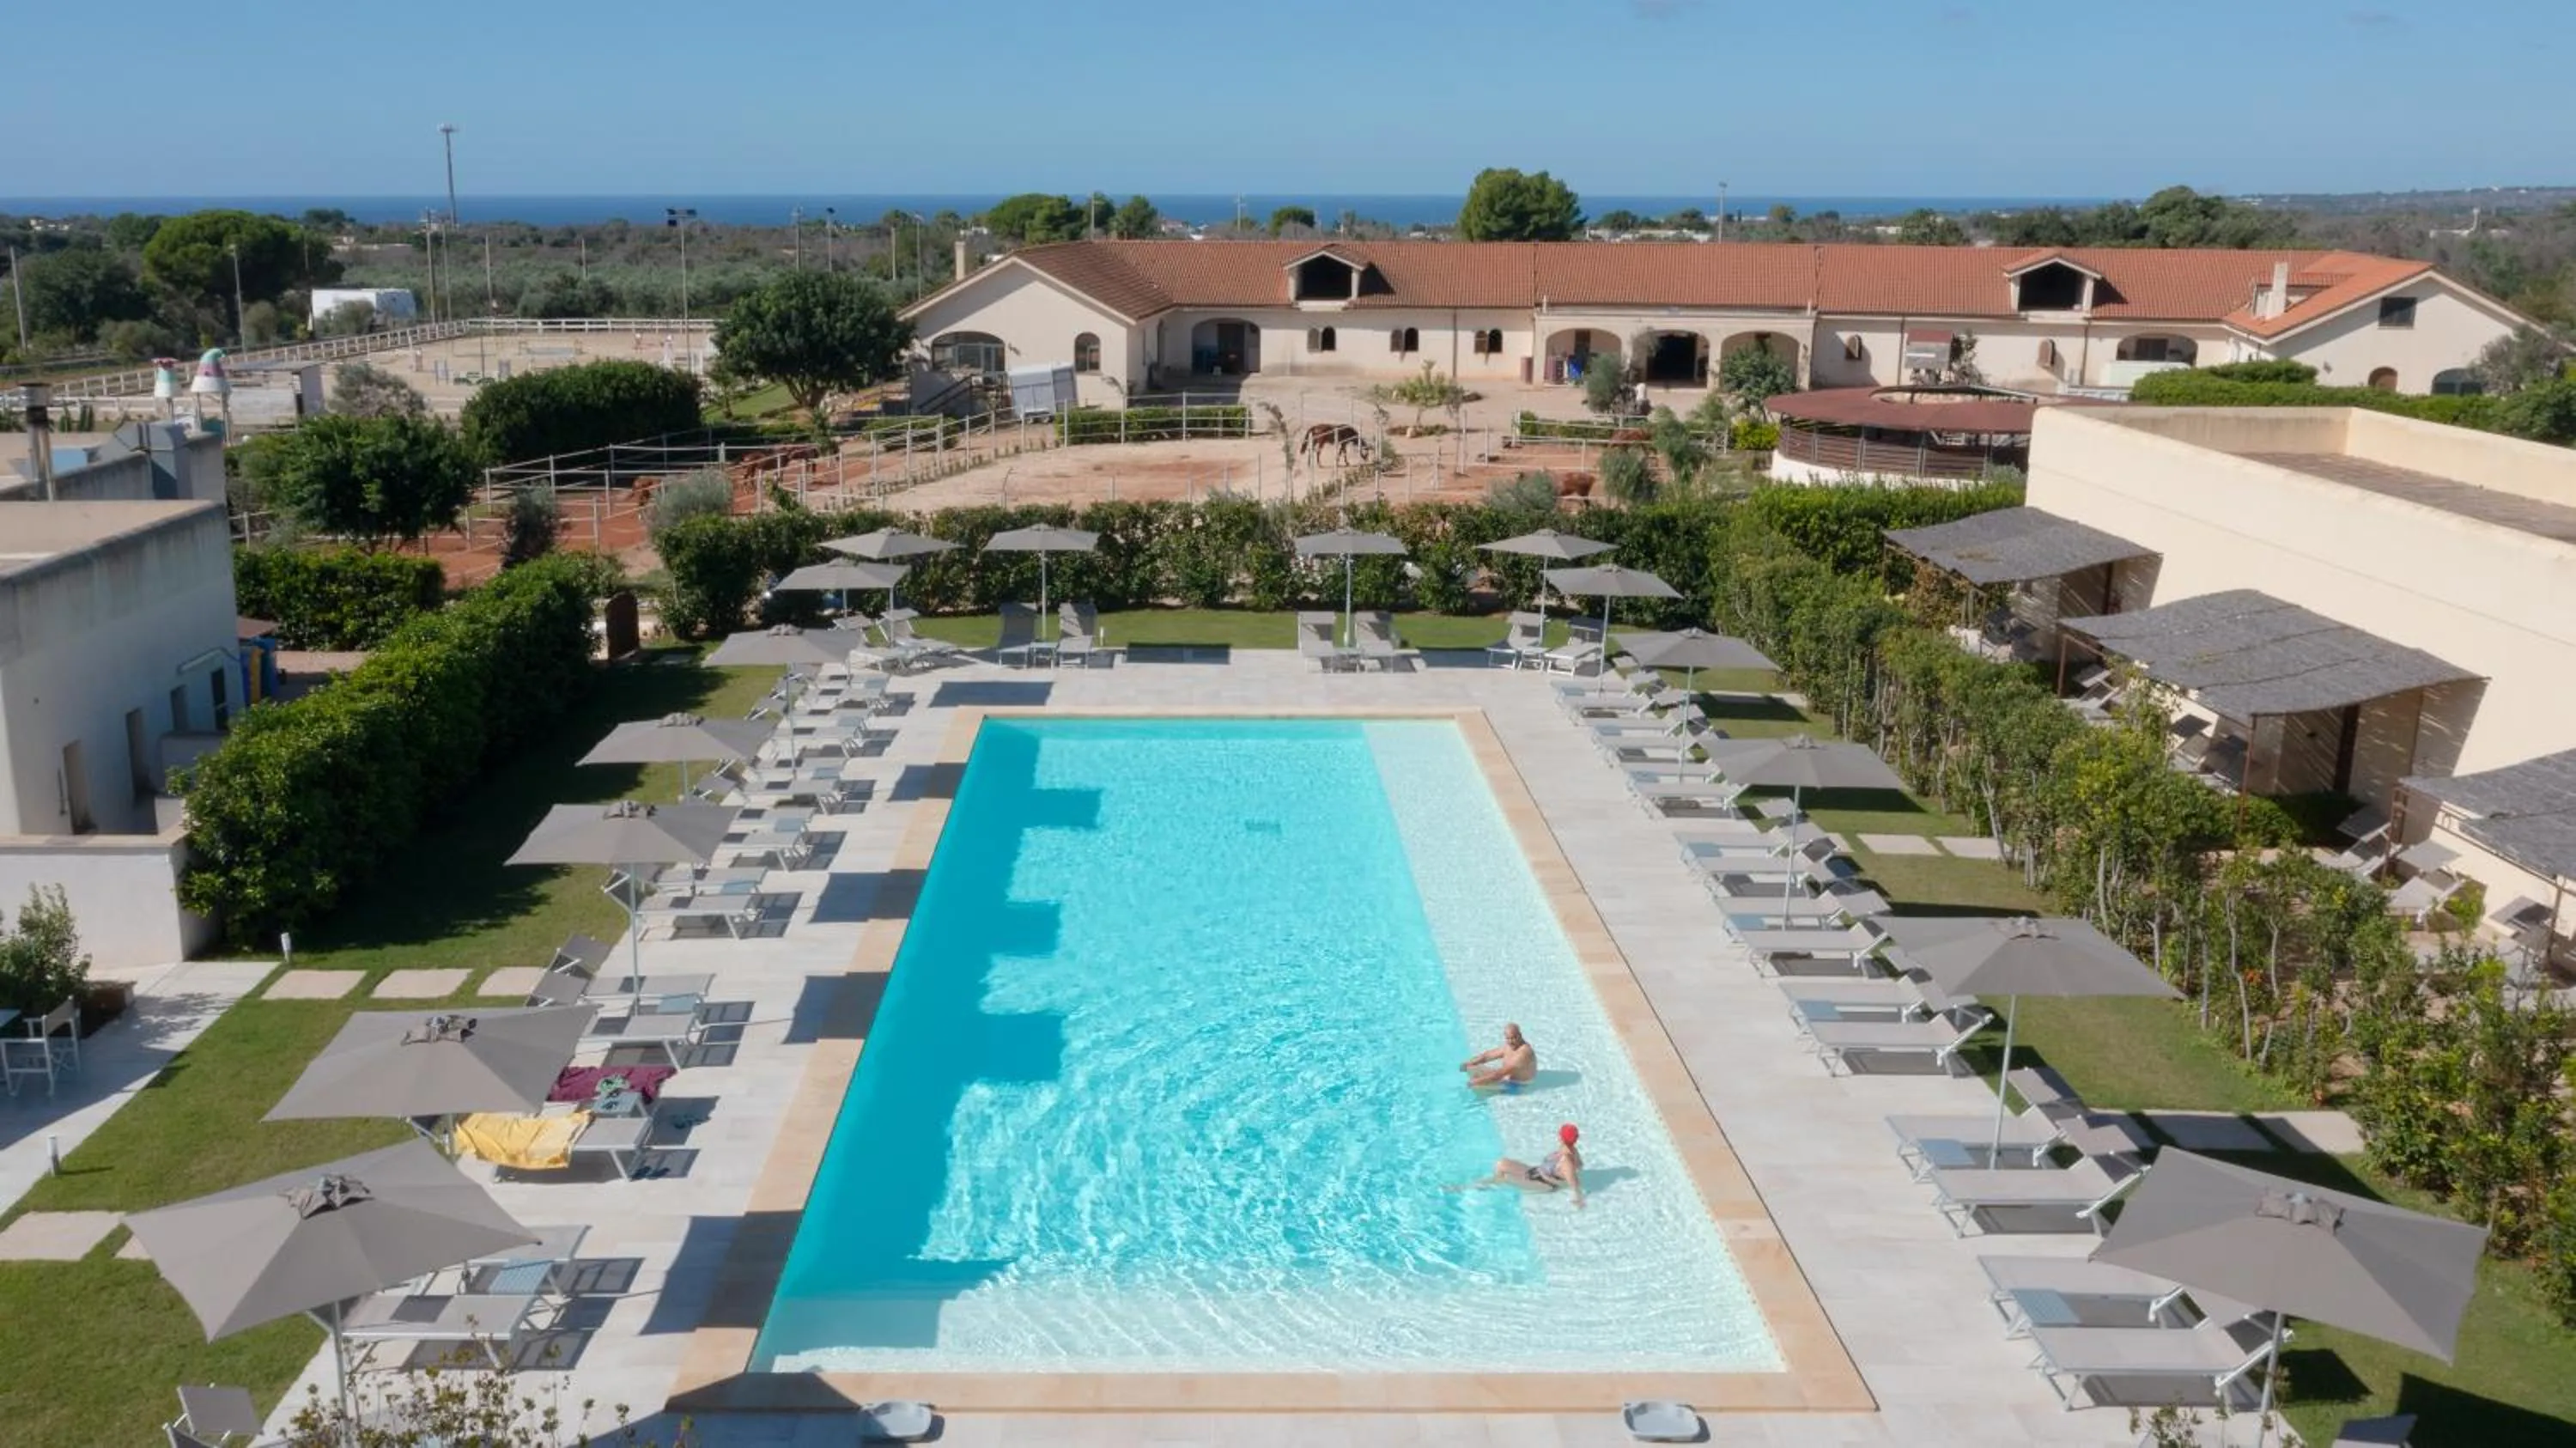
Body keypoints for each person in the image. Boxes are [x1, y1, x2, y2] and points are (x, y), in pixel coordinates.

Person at [1454, 1123, 1586, 1209]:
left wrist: (1578, 1199)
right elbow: (1580, 1166)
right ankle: (1489, 1184)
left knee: (1505, 1178)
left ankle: (1468, 1189)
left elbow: (1574, 1183)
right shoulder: (1569, 1150)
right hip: (1536, 1172)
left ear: (1561, 1137)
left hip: (1544, 1184)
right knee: (1502, 1163)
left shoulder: (1566, 1160)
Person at [1461, 1022, 1537, 1092]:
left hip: (1518, 1087)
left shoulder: (1524, 1053)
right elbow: (1487, 1056)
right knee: (1471, 1066)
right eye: (1508, 1038)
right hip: (1506, 1079)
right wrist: (1469, 1063)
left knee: (1476, 1085)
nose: (1511, 1042)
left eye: (1514, 1038)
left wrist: (1473, 1082)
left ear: (1520, 1035)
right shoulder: (1509, 1046)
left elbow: (1498, 1075)